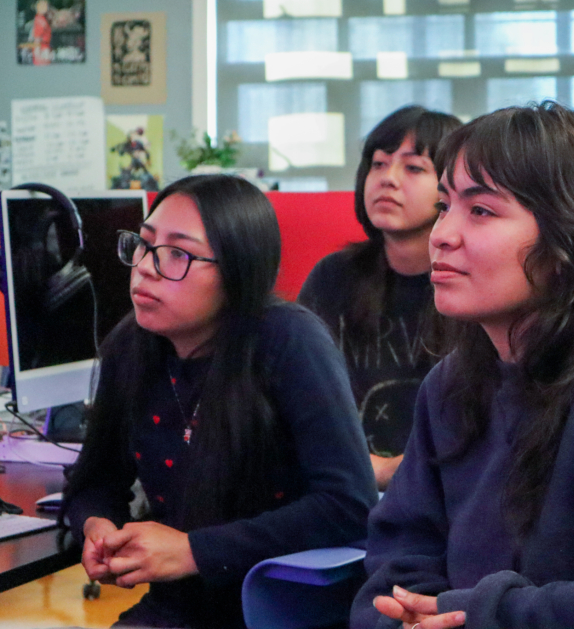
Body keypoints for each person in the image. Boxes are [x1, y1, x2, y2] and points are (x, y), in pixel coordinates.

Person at [351, 102, 574, 629]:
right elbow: (397, 559)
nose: (442, 234)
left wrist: (483, 614)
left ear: (570, 238)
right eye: (444, 206)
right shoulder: (451, 383)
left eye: (481, 211)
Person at [62, 174, 378, 629]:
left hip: (286, 610)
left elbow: (348, 505)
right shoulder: (130, 345)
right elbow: (94, 482)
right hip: (178, 609)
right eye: (144, 244)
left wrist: (194, 551)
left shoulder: (289, 341)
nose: (145, 267)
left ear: (236, 272)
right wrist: (98, 528)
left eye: (178, 254)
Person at [299, 105, 461, 489]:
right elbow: (291, 393)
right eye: (378, 164)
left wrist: (390, 471)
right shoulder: (333, 277)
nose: (388, 179)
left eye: (414, 168)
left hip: (443, 492)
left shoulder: (473, 285)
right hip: (341, 490)